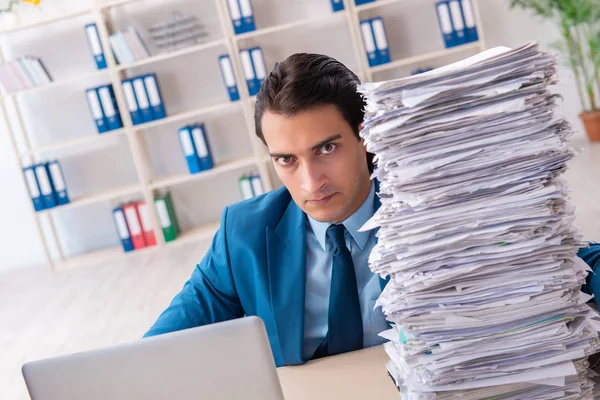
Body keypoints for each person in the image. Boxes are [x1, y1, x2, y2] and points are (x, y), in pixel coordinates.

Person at [144, 53, 600, 367]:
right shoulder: (244, 233)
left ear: (366, 136)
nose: (310, 182)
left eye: (326, 148)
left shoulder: (431, 205)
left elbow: (568, 263)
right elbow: (158, 350)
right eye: (287, 159)